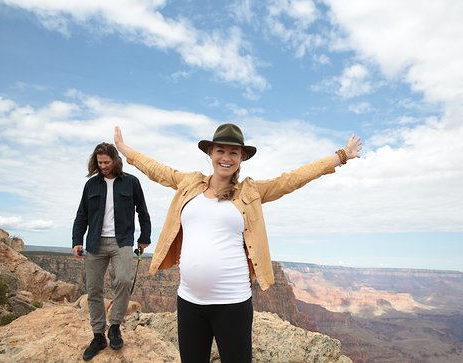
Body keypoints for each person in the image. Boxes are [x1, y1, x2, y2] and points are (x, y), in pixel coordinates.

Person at [114, 123, 361, 363]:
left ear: (241, 157)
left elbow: (293, 179)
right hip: (189, 301)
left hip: (232, 303)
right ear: (210, 153)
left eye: (233, 152)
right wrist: (124, 149)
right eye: (220, 150)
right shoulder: (189, 184)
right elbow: (156, 170)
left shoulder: (250, 192)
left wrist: (341, 156)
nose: (226, 157)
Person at [72, 142, 151, 361]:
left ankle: (114, 327)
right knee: (94, 289)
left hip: (122, 241)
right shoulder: (91, 186)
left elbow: (143, 211)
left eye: (107, 162)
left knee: (124, 280)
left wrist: (145, 238)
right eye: (100, 162)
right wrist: (77, 241)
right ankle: (98, 335)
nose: (103, 166)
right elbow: (81, 215)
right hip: (95, 242)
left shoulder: (132, 183)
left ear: (116, 160)